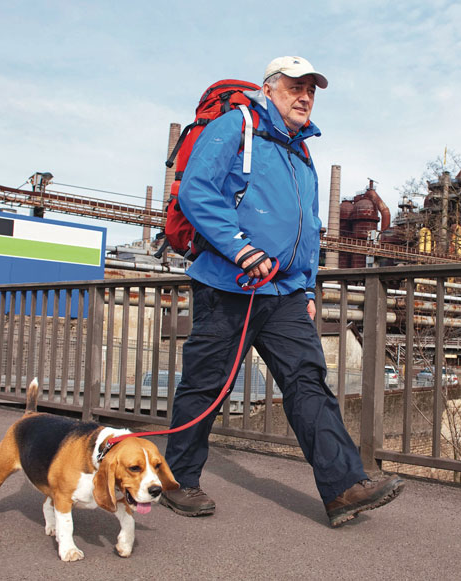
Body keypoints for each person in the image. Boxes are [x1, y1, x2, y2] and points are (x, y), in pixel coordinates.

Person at [162, 56, 404, 527]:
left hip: (286, 293)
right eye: (296, 86)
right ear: (269, 89)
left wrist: (306, 286)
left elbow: (308, 229)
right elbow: (197, 191)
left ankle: (343, 488)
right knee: (207, 385)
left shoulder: (301, 154)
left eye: (311, 89)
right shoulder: (238, 126)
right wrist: (240, 249)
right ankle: (178, 480)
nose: (305, 96)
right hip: (229, 284)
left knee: (308, 383)